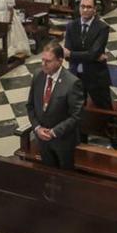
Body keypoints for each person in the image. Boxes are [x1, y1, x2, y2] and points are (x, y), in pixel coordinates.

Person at [26, 42, 84, 170]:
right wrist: (37, 128)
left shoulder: (72, 83)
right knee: (48, 174)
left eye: (48, 61)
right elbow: (30, 106)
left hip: (63, 141)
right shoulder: (38, 75)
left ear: (60, 61)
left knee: (65, 177)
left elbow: (76, 116)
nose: (43, 64)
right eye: (43, 60)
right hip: (42, 139)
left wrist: (54, 132)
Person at [64, 0, 112, 109]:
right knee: (76, 110)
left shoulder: (102, 28)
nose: (85, 10)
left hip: (96, 77)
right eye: (83, 6)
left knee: (104, 110)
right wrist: (92, 56)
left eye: (89, 7)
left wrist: (73, 54)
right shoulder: (71, 26)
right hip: (76, 75)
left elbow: (92, 53)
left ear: (95, 9)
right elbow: (66, 55)